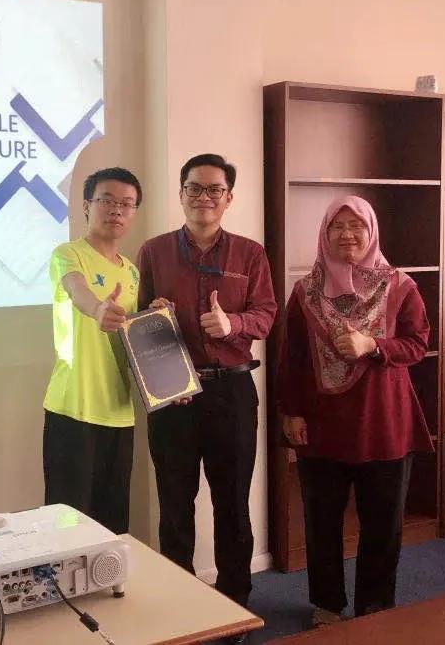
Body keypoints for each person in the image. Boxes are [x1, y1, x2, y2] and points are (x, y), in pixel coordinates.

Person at [277, 195, 434, 627]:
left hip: (383, 423)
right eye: (337, 226)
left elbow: (417, 344)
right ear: (324, 234)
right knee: (321, 522)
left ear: (372, 231)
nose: (347, 234)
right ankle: (327, 604)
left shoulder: (399, 286)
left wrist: (373, 346)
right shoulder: (304, 292)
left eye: (357, 226)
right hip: (321, 424)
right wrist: (290, 412)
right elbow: (291, 358)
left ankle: (374, 607)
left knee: (383, 523)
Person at [137, 154, 276, 614]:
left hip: (231, 393)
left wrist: (233, 323)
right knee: (175, 505)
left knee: (232, 503)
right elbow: (137, 326)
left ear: (229, 198)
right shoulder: (153, 251)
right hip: (173, 394)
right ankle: (180, 605)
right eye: (194, 188)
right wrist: (152, 316)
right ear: (181, 194)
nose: (204, 197)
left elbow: (266, 314)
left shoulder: (250, 253)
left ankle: (234, 604)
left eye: (214, 189)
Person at [42, 166, 143, 534]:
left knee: (113, 524)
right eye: (107, 200)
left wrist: (157, 315)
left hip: (119, 412)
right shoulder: (68, 254)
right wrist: (98, 308)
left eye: (127, 204)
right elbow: (77, 290)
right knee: (68, 525)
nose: (117, 210)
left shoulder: (132, 272)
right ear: (87, 206)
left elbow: (135, 338)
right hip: (74, 407)